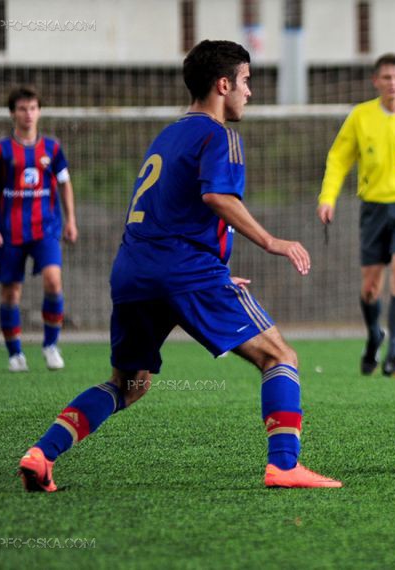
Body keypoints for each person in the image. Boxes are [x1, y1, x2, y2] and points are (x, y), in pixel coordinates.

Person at [17, 40, 341, 492]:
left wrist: (212, 271)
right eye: (246, 81)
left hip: (133, 273)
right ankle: (284, 465)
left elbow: (173, 209)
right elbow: (216, 196)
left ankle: (41, 454)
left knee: (129, 384)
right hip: (183, 270)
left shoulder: (167, 137)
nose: (249, 92)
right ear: (223, 84)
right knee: (279, 356)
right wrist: (272, 242)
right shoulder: (219, 135)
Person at [316, 53, 395, 378]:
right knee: (371, 286)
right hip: (373, 207)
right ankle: (375, 334)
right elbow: (338, 159)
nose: (392, 83)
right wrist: (327, 198)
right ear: (376, 81)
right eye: (386, 77)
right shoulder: (361, 117)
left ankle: (393, 356)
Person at [0, 86, 78, 372]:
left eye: (33, 108)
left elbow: (64, 182)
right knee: (11, 293)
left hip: (45, 228)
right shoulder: (1, 150)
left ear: (39, 111)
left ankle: (51, 345)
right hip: (9, 231)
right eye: (22, 109)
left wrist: (71, 220)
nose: (28, 114)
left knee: (53, 281)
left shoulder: (52, 148)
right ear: (13, 113)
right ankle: (15, 354)